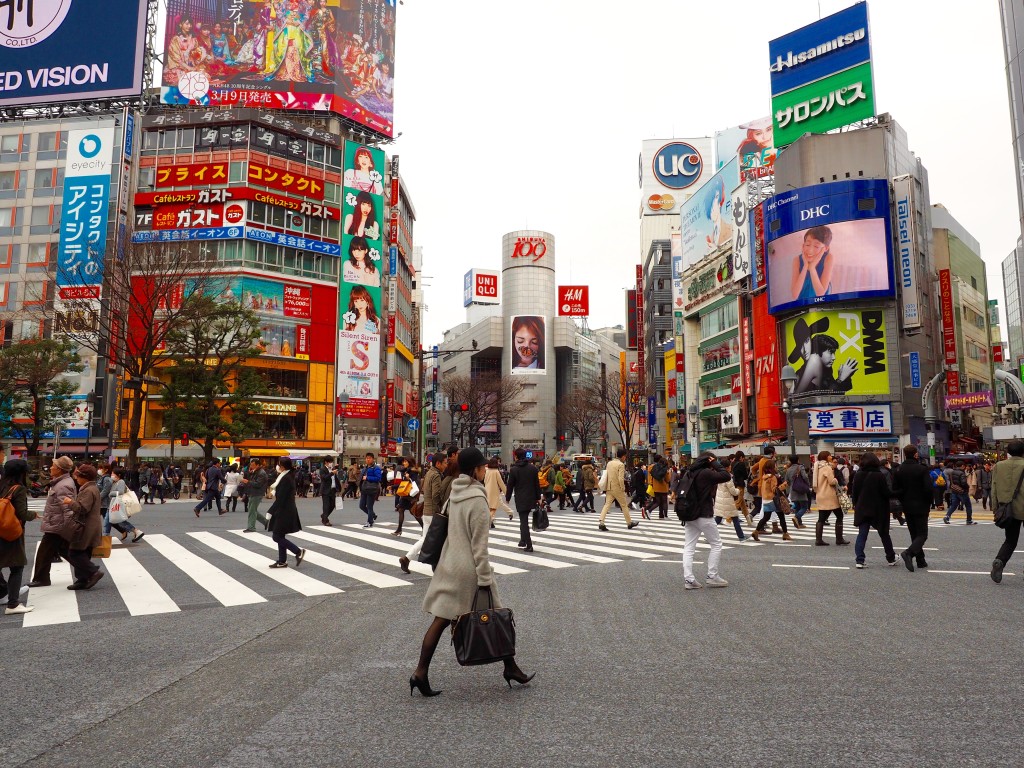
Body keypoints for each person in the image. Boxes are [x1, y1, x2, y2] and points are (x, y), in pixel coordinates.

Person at [411, 447, 534, 696]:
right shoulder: (477, 500)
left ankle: (420, 673)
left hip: (449, 564)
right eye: (482, 467)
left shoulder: (454, 494)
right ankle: (510, 667)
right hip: (469, 570)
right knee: (497, 616)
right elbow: (479, 545)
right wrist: (485, 577)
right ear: (476, 470)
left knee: (441, 619)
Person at [680, 452, 733, 589]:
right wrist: (715, 462)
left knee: (689, 546)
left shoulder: (689, 472)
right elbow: (726, 475)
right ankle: (712, 576)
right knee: (716, 544)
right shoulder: (705, 473)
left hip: (690, 514)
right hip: (704, 514)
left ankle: (689, 580)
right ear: (709, 461)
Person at [27, 457, 77, 587]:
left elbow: (68, 508)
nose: (50, 468)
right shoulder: (61, 482)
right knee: (64, 550)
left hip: (57, 525)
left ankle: (41, 578)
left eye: (53, 466)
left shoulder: (63, 485)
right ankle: (89, 571)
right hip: (57, 523)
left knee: (44, 552)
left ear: (59, 469)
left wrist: (69, 528)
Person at [400, 452, 447, 573]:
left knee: (425, 538)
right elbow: (436, 495)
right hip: (433, 512)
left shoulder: (429, 473)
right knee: (439, 539)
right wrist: (442, 507)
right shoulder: (436, 475)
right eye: (445, 463)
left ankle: (407, 559)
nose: (446, 465)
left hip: (426, 511)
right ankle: (436, 565)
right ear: (438, 463)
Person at [0, 459, 37, 615]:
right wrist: (33, 515)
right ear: (21, 473)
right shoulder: (18, 489)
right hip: (11, 533)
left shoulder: (1, 485)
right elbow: (22, 513)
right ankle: (13, 604)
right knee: (17, 566)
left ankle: (3, 594)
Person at [60, 463, 105, 590]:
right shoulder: (92, 488)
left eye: (78, 476)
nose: (76, 478)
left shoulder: (88, 490)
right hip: (91, 525)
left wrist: (70, 502)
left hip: (85, 526)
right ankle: (82, 579)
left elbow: (82, 508)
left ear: (85, 477)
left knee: (75, 552)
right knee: (84, 552)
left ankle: (93, 572)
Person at [850, 453, 897, 569]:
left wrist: (856, 505)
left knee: (862, 534)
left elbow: (854, 492)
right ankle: (891, 557)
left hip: (862, 508)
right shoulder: (879, 475)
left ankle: (859, 560)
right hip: (878, 509)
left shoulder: (858, 474)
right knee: (884, 533)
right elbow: (886, 493)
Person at [893, 444, 933, 571]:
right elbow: (928, 488)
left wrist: (903, 500)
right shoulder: (922, 469)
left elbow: (895, 489)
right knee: (922, 534)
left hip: (907, 505)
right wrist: (929, 502)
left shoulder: (899, 469)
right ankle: (908, 553)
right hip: (921, 505)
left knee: (914, 533)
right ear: (915, 454)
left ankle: (921, 560)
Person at [991, 441, 1024, 583]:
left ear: (1009, 452)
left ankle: (1000, 560)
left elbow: (994, 489)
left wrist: (995, 508)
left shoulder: (999, 466)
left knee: (1010, 540)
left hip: (1008, 509)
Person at [266, 458, 305, 569]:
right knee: (280, 534)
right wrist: (275, 491)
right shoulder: (285, 475)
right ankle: (282, 561)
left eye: (279, 465)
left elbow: (281, 498)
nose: (277, 467)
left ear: (283, 466)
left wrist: (270, 511)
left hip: (285, 510)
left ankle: (298, 551)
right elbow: (281, 490)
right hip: (285, 509)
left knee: (276, 536)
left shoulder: (286, 478)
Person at [505, 448, 541, 552]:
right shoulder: (533, 468)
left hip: (520, 498)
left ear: (516, 456)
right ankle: (522, 541)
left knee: (523, 521)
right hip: (531, 498)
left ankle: (529, 545)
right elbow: (537, 485)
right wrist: (538, 498)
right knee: (523, 520)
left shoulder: (514, 469)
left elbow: (510, 485)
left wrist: (507, 498)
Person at [789, 225, 835, 304]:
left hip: (822, 304)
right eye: (807, 245)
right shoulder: (797, 260)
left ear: (825, 248)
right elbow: (794, 295)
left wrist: (812, 268)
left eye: (816, 246)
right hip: (803, 304)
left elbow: (820, 294)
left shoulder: (828, 258)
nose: (810, 251)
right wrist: (805, 266)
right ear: (803, 245)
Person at [598, 448, 639, 532]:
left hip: (609, 487)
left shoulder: (609, 463)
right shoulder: (620, 465)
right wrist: (623, 488)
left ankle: (601, 522)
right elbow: (620, 478)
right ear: (623, 456)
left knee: (607, 504)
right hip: (617, 488)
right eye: (625, 456)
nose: (625, 458)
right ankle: (629, 523)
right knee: (624, 505)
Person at [812, 451, 848, 546]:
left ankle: (818, 539)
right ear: (826, 457)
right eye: (829, 455)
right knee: (839, 516)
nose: (830, 457)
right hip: (829, 495)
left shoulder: (817, 467)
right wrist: (836, 480)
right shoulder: (827, 467)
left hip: (821, 495)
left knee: (821, 518)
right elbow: (831, 481)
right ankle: (839, 539)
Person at [752, 460, 791, 541]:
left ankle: (756, 531)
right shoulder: (773, 477)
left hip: (766, 499)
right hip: (773, 500)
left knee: (766, 517)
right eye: (775, 466)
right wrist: (784, 485)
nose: (776, 467)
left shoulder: (764, 477)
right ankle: (785, 534)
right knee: (781, 517)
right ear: (772, 467)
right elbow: (774, 490)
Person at [107, 466, 144, 543]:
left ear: (118, 475)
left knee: (120, 520)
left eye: (113, 473)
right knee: (117, 520)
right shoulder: (115, 482)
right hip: (116, 505)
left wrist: (111, 494)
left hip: (120, 505)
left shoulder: (121, 482)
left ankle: (136, 531)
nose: (112, 475)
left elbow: (120, 492)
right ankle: (132, 532)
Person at [712, 462, 746, 541]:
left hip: (720, 500)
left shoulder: (719, 476)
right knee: (735, 518)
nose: (731, 467)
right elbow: (733, 491)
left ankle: (709, 536)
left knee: (718, 519)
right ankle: (741, 536)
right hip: (728, 501)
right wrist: (738, 491)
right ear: (727, 467)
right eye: (730, 466)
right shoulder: (727, 477)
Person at [944, 460, 976, 525]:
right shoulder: (961, 473)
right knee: (968, 505)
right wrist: (967, 487)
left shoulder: (952, 472)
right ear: (962, 466)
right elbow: (963, 483)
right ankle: (969, 520)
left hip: (955, 490)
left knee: (954, 505)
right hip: (962, 491)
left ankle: (947, 516)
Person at [783, 457, 810, 529]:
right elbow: (805, 477)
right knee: (804, 507)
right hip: (801, 489)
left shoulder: (788, 469)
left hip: (793, 490)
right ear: (798, 460)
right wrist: (807, 484)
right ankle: (796, 517)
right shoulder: (800, 467)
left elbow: (786, 481)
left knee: (797, 507)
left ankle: (799, 523)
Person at [359, 453, 382, 527]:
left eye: (369, 458)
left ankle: (370, 522)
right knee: (361, 506)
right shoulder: (365, 468)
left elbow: (378, 478)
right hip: (364, 489)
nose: (368, 459)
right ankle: (373, 515)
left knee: (369, 506)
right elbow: (361, 479)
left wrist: (368, 478)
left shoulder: (376, 468)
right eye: (366, 458)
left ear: (373, 459)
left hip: (372, 489)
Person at [483, 456, 506, 529]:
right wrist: (506, 493)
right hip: (494, 491)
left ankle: (491, 522)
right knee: (494, 508)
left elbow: (484, 480)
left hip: (486, 490)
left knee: (489, 507)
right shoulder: (496, 471)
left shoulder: (487, 471)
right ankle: (488, 520)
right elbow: (501, 483)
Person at [645, 454, 670, 519]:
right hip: (663, 487)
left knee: (658, 502)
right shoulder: (664, 469)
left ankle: (660, 514)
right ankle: (665, 516)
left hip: (655, 487)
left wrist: (650, 484)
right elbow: (668, 479)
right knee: (664, 502)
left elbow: (651, 477)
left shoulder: (652, 468)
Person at [319, 457, 337, 526]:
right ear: (326, 462)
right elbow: (324, 478)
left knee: (332, 505)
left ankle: (324, 515)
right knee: (326, 505)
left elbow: (335, 479)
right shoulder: (322, 469)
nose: (331, 463)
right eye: (330, 462)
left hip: (333, 489)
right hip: (325, 490)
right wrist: (332, 473)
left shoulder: (332, 469)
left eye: (331, 462)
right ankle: (325, 520)